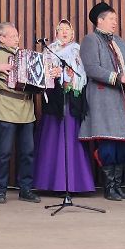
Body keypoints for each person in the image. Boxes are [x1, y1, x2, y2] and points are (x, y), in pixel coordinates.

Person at [78, 2, 125, 201]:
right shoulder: (90, 40)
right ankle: (109, 187)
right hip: (103, 98)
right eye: (112, 19)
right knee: (108, 144)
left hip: (122, 99)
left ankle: (118, 186)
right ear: (100, 20)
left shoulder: (120, 41)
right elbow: (91, 68)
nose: (115, 22)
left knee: (123, 144)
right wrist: (119, 78)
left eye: (116, 19)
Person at [0, 20, 39, 203]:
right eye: (12, 36)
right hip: (7, 107)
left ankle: (26, 189)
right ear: (1, 38)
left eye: (17, 35)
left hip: (27, 108)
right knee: (4, 153)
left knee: (28, 152)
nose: (17, 39)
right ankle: (0, 191)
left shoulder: (25, 55)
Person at [35, 20, 95, 195]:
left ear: (73, 32)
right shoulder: (48, 50)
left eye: (67, 29)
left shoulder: (78, 50)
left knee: (69, 139)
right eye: (60, 29)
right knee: (52, 139)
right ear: (55, 33)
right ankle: (49, 182)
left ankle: (73, 183)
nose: (63, 32)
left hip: (70, 100)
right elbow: (39, 72)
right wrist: (49, 74)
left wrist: (66, 75)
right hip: (53, 101)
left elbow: (81, 74)